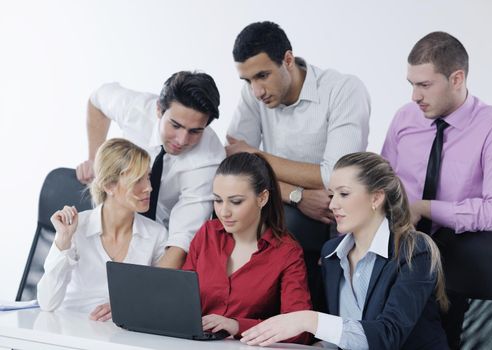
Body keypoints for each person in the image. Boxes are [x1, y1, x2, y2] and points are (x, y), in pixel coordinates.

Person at [226, 21, 371, 311]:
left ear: (288, 60)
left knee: (284, 227)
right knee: (220, 214)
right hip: (286, 199)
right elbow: (235, 167)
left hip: (331, 210)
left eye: (262, 76)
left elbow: (334, 177)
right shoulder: (255, 94)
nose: (256, 90)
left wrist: (258, 156)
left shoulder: (343, 89)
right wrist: (295, 194)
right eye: (247, 81)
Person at [240, 152, 448, 349]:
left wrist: (308, 319)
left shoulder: (415, 251)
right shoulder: (331, 254)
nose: (333, 204)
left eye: (344, 194)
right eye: (332, 194)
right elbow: (341, 334)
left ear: (376, 198)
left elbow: (388, 336)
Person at [76, 71, 225, 269]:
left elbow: (180, 243)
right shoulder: (136, 109)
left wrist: (138, 295)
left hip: (163, 240)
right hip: (117, 228)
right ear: (158, 110)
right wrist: (95, 159)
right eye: (176, 125)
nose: (182, 140)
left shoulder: (209, 159)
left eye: (195, 131)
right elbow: (97, 100)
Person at [381, 31, 492, 235]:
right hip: (398, 245)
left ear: (457, 79)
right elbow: (380, 186)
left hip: (459, 251)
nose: (415, 96)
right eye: (412, 84)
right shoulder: (405, 117)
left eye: (425, 85)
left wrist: (426, 208)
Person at [182, 152, 312, 344]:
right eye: (218, 200)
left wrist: (236, 326)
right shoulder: (207, 233)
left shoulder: (287, 252)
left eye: (236, 202)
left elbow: (301, 330)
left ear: (262, 198)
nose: (224, 212)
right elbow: (181, 299)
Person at [38, 138, 168, 320]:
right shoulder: (77, 227)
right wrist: (63, 240)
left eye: (148, 177)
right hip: (70, 329)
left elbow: (161, 299)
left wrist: (126, 306)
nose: (149, 187)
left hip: (120, 337)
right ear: (109, 186)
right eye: (138, 180)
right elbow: (47, 302)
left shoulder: (156, 235)